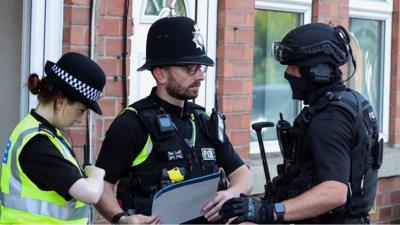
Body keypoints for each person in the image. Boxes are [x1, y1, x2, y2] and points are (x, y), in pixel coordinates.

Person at [95, 16, 253, 224]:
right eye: (190, 68)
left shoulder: (204, 120)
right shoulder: (132, 124)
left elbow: (243, 175)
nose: (200, 77)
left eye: (201, 67)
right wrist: (122, 219)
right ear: (161, 74)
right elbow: (102, 188)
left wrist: (231, 193)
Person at [220, 23, 383, 224]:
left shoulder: (330, 118)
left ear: (316, 71)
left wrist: (269, 212)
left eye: (293, 67)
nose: (287, 73)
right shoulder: (351, 102)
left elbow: (335, 192)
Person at [0, 52, 107, 224]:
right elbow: (91, 194)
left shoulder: (40, 131)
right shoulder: (38, 144)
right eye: (81, 110)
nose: (80, 119)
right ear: (60, 102)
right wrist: (97, 174)